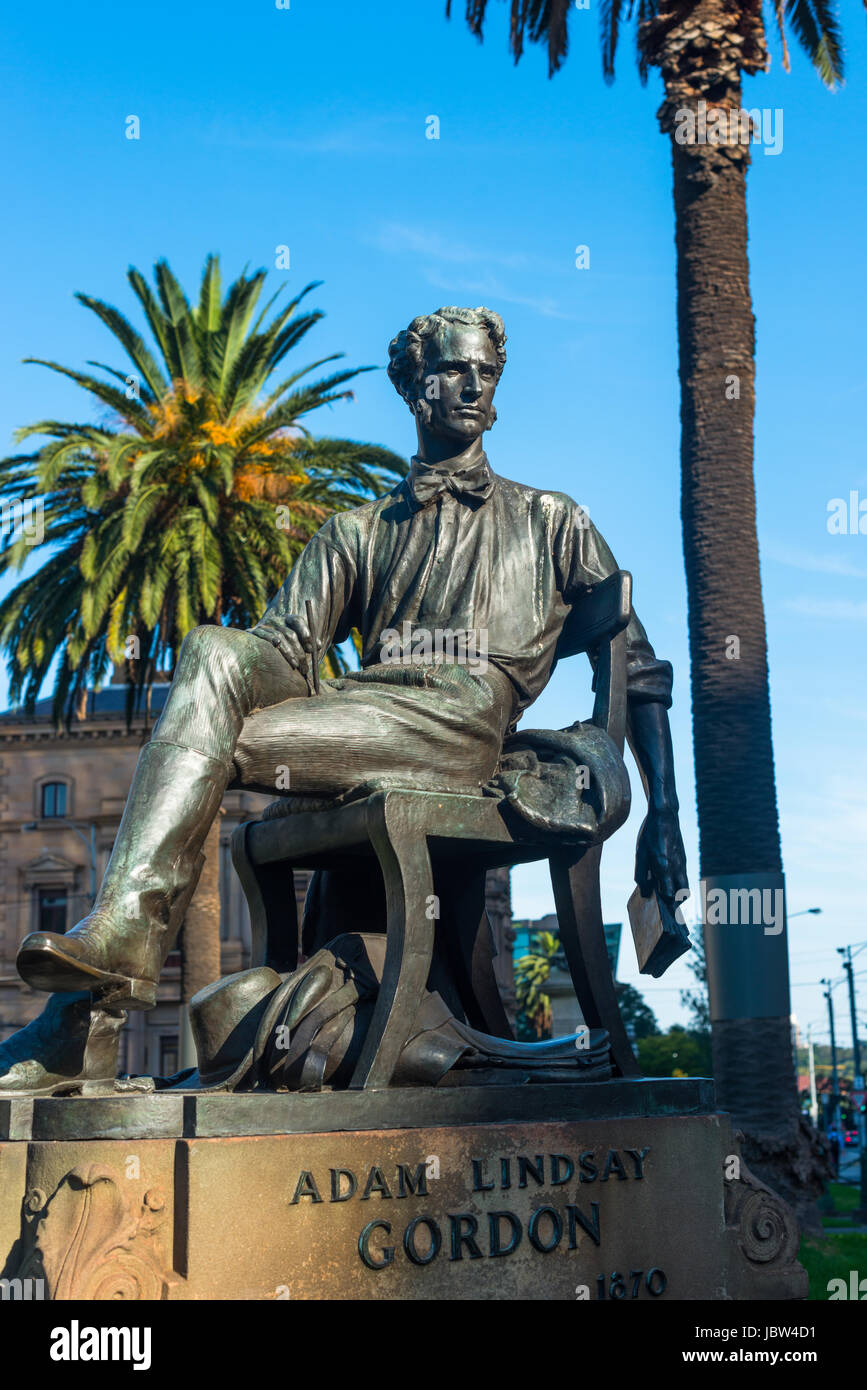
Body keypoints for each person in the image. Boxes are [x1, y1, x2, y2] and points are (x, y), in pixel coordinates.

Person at [16, 306, 689, 1012]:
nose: (472, 387)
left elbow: (637, 671)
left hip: (460, 728)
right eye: (452, 370)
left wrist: (662, 810)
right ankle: (106, 970)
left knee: (200, 749)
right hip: (366, 712)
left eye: (485, 373)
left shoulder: (551, 518)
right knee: (210, 648)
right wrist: (221, 672)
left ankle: (110, 962)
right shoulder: (355, 533)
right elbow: (281, 648)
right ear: (410, 385)